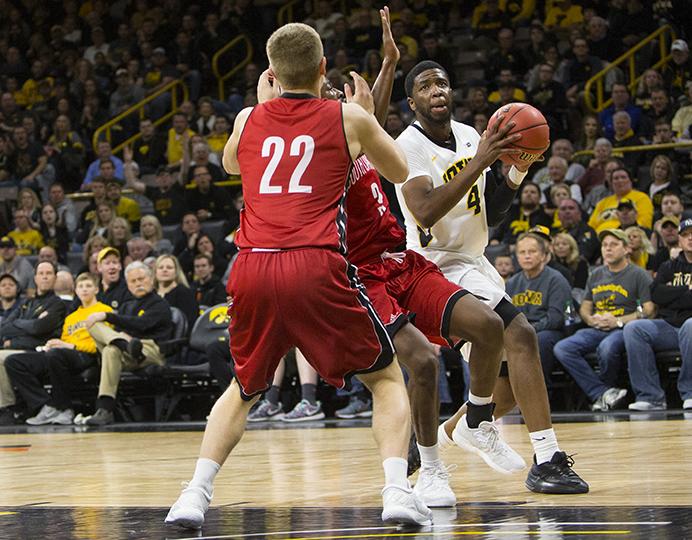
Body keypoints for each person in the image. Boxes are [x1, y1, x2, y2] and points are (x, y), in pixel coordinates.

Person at [166, 20, 431, 530]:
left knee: (244, 387)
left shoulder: (248, 117)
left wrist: (262, 108)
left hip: (251, 266)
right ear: (323, 67)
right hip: (314, 262)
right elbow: (399, 172)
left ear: (271, 72)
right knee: (385, 377)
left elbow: (229, 165)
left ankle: (194, 494)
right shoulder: (348, 117)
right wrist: (368, 120)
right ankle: (397, 490)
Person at [395, 60, 588, 494]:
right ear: (413, 102)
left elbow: (491, 211)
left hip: (474, 263)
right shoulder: (407, 146)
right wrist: (482, 158)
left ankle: (452, 432)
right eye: (426, 86)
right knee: (520, 334)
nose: (437, 89)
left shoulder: (468, 135)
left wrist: (516, 170)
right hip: (432, 265)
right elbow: (424, 209)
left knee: (513, 385)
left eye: (442, 81)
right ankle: (547, 459)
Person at [553, 229, 655, 411]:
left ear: (626, 249)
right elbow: (585, 306)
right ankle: (603, 392)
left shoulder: (638, 275)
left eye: (614, 245)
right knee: (563, 348)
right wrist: (591, 319)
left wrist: (618, 321)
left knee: (606, 348)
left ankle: (606, 394)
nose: (608, 249)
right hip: (596, 328)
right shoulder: (596, 274)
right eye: (605, 245)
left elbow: (649, 309)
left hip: (624, 329)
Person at [5, 273, 112, 425]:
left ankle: (63, 407)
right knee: (14, 362)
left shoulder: (104, 310)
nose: (84, 290)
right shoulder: (71, 317)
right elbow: (65, 340)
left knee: (56, 355)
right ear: (75, 290)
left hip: (87, 355)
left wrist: (71, 346)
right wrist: (53, 344)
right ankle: (45, 405)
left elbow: (101, 344)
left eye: (88, 286)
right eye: (81, 286)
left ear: (96, 289)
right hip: (64, 353)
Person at [80, 261, 172, 426]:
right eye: (133, 281)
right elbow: (116, 329)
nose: (138, 283)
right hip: (130, 353)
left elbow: (141, 324)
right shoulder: (126, 306)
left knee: (110, 347)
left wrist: (108, 316)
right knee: (104, 340)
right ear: (128, 285)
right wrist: (121, 338)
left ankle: (105, 407)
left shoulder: (160, 304)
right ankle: (105, 411)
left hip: (150, 350)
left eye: (141, 279)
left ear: (151, 279)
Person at [623, 218, 692, 410]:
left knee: (690, 325)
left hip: (690, 326)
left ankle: (690, 392)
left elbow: (666, 295)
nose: (690, 238)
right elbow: (656, 294)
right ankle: (650, 396)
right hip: (669, 326)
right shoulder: (668, 266)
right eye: (686, 235)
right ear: (679, 240)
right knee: (634, 328)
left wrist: (672, 292)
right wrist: (687, 290)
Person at [0, 261, 66, 425]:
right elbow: (3, 328)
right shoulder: (25, 303)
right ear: (35, 278)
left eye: (49, 273)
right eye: (41, 273)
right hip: (22, 350)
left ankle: (10, 407)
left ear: (55, 278)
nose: (44, 276)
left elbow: (39, 328)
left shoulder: (57, 304)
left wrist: (19, 326)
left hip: (42, 353)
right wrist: (29, 326)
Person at [506, 232, 572, 387]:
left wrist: (528, 330)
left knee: (536, 340)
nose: (527, 256)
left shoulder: (556, 279)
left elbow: (556, 319)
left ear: (543, 255)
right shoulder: (512, 283)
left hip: (550, 332)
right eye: (522, 252)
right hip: (521, 330)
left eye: (532, 252)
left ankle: (537, 388)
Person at [154, 254, 198, 332]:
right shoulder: (151, 294)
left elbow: (190, 323)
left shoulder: (185, 293)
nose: (165, 270)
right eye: (161, 267)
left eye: (169, 267)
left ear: (176, 272)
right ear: (155, 272)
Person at [554, 198, 600, 264]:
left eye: (571, 208)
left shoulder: (587, 232)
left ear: (579, 214)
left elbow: (582, 256)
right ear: (558, 215)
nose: (567, 212)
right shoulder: (554, 232)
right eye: (563, 209)